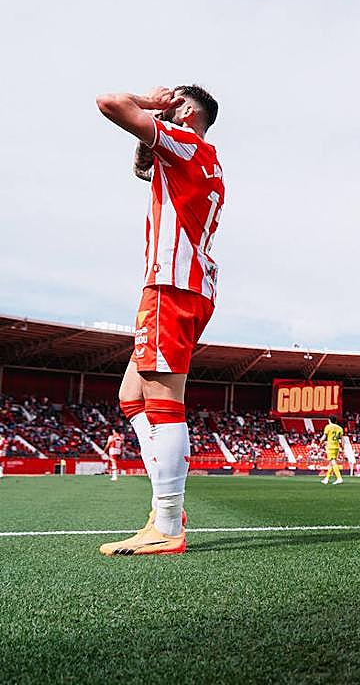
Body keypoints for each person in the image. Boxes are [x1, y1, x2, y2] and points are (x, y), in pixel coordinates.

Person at [95, 85, 223, 557]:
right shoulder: (200, 156)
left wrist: (150, 103)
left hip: (172, 283)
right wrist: (152, 126)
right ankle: (167, 507)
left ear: (186, 110)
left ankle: (167, 522)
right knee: (132, 394)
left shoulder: (184, 142)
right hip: (186, 283)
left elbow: (110, 103)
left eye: (174, 98)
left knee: (163, 398)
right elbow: (141, 166)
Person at [321, 419, 345, 484]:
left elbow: (324, 436)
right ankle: (327, 478)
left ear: (329, 420)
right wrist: (343, 447)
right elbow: (342, 439)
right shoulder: (340, 428)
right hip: (337, 447)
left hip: (330, 446)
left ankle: (339, 478)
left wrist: (321, 442)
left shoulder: (328, 427)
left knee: (333, 462)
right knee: (332, 463)